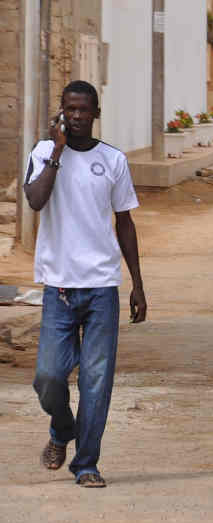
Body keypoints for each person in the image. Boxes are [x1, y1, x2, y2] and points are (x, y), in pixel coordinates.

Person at [24, 80, 147, 489]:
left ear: (95, 113)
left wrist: (137, 284)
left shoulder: (112, 160)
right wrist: (57, 152)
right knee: (48, 377)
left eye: (84, 110)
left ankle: (87, 464)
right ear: (61, 111)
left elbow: (125, 223)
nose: (76, 116)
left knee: (97, 380)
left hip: (101, 287)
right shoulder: (43, 153)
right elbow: (36, 200)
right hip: (58, 286)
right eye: (69, 109)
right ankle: (62, 428)